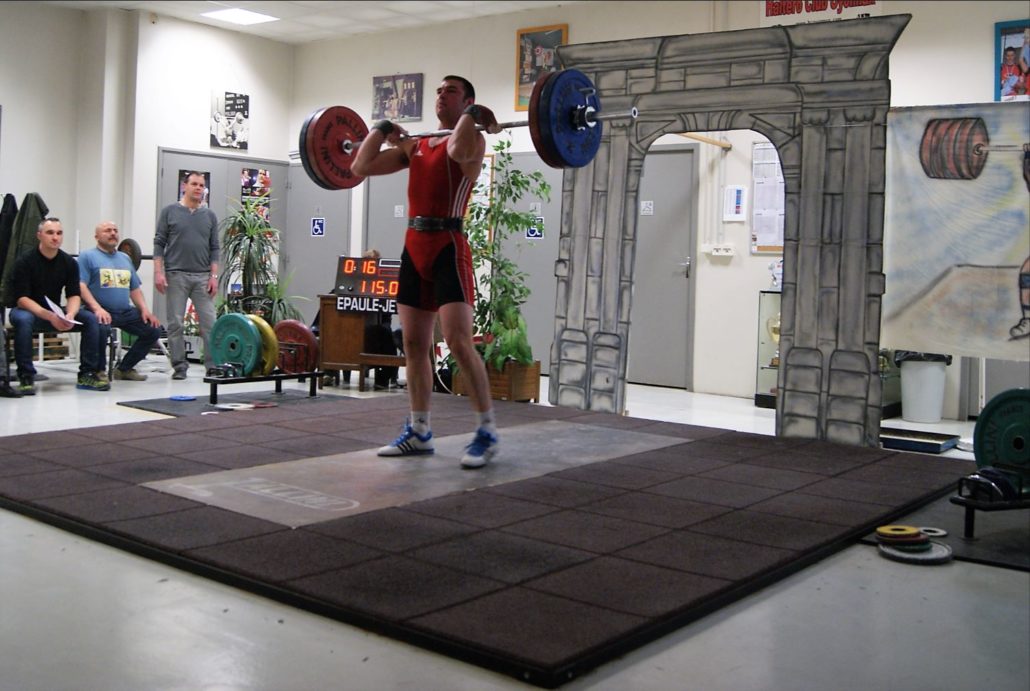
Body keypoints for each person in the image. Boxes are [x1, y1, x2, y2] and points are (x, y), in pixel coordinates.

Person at [352, 74, 502, 469]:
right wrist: (381, 128)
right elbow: (360, 165)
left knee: (458, 342)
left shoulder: (473, 141)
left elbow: (455, 148)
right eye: (438, 90)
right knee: (415, 345)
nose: (440, 95)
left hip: (448, 247)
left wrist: (472, 116)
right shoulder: (415, 145)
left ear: (467, 101)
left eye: (451, 91)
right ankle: (419, 431)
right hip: (413, 247)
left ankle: (486, 430)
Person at [8, 217, 108, 393]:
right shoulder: (25, 261)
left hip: (55, 311)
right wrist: (50, 316)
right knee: (24, 320)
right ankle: (26, 376)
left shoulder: (69, 263)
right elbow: (22, 299)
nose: (55, 237)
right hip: (28, 310)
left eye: (59, 233)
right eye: (50, 233)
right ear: (39, 235)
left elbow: (74, 294)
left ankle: (87, 374)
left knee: (91, 319)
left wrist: (70, 314)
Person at [154, 170, 220, 379]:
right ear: (185, 186)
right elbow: (159, 243)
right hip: (176, 275)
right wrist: (158, 272)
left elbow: (215, 247)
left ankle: (212, 365)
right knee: (175, 323)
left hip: (202, 277)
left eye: (201, 185)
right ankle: (179, 366)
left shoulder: (209, 216)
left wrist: (214, 276)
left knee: (210, 323)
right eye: (194, 184)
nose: (198, 188)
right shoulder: (169, 212)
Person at [78, 221, 162, 381]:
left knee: (153, 330)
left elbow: (134, 289)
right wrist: (97, 308)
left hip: (124, 311)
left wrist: (145, 310)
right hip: (99, 310)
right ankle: (97, 371)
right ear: (97, 237)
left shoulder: (125, 258)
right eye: (107, 230)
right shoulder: (87, 256)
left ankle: (124, 369)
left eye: (115, 230)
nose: (112, 233)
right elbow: (81, 286)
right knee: (99, 326)